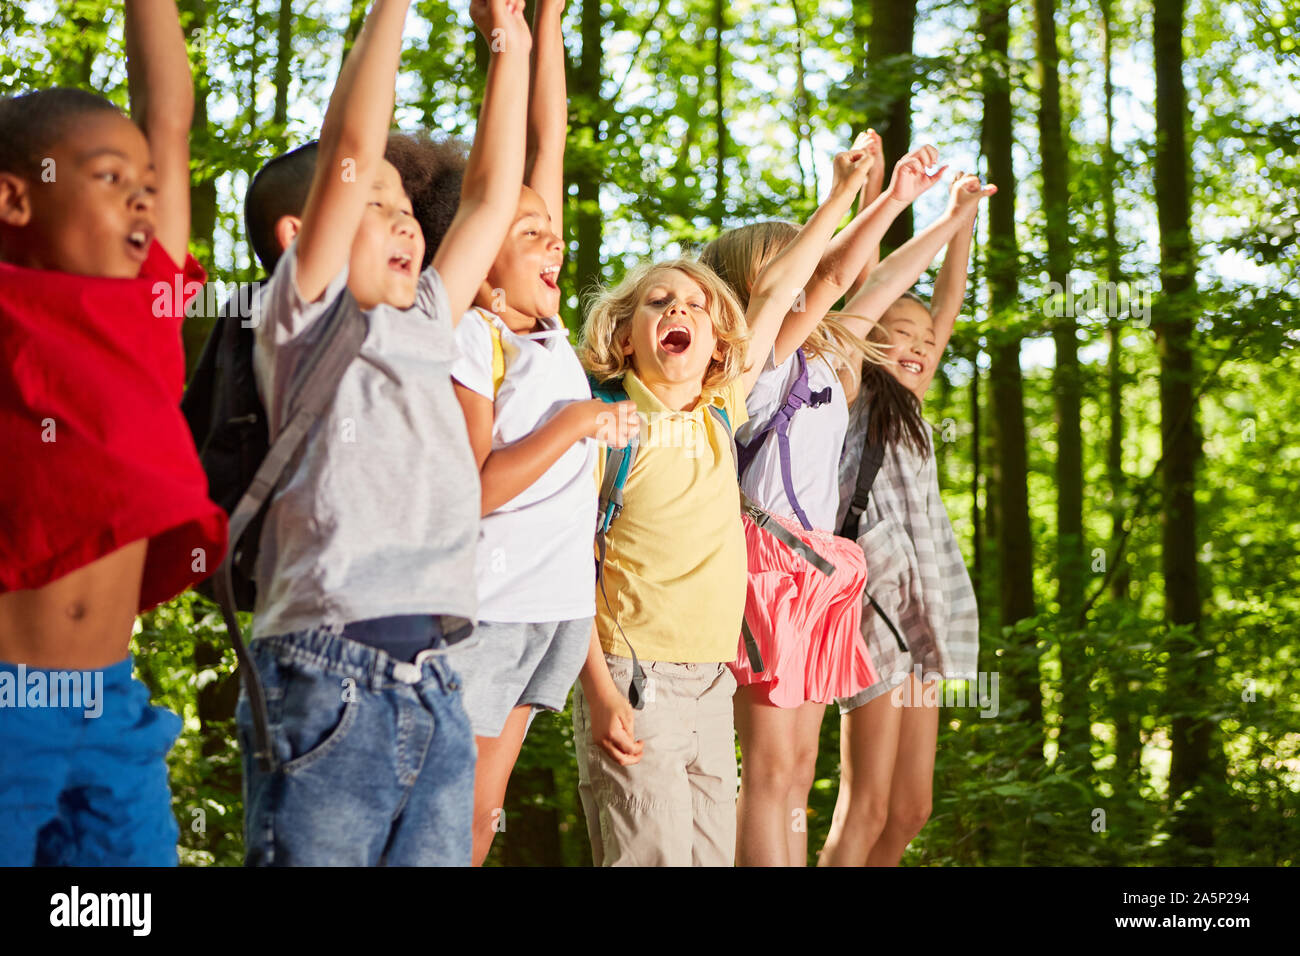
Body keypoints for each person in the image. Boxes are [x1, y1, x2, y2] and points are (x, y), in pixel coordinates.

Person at [235, 0, 530, 866]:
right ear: (302, 237)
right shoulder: (303, 318)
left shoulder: (431, 319)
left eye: (408, 209)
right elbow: (350, 149)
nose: (407, 221)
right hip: (327, 676)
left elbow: (490, 196)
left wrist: (504, 40)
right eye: (379, 204)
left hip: (435, 682)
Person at [572, 141, 874, 866]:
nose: (680, 308)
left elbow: (785, 293)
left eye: (698, 305)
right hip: (630, 675)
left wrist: (842, 198)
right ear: (622, 332)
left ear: (718, 345)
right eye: (658, 301)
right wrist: (603, 694)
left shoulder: (720, 408)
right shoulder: (605, 427)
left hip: (711, 680)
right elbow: (570, 570)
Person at [701, 139, 974, 866]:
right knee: (767, 771)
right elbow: (828, 273)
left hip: (823, 571)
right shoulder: (749, 369)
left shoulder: (825, 360)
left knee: (796, 772)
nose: (815, 278)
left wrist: (899, 202)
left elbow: (874, 280)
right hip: (766, 565)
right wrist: (864, 199)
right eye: (785, 269)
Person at [0, 0, 225, 866]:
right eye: (106, 176)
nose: (141, 194)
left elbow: (168, 118)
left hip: (111, 706)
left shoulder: (150, 304)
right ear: (16, 198)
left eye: (147, 187)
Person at [446, 0, 640, 866]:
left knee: (485, 816)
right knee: (461, 811)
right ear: (482, 253)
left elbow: (547, 143)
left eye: (556, 233)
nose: (553, 244)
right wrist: (573, 423)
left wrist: (548, 24)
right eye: (529, 236)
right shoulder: (471, 334)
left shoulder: (545, 331)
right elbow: (472, 490)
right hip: (492, 607)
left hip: (557, 607)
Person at [820, 170, 996, 867]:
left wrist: (963, 218)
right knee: (865, 804)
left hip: (926, 600)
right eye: (901, 332)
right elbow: (876, 283)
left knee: (911, 807)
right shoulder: (854, 394)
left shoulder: (915, 404)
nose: (921, 344)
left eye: (927, 338)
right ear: (869, 341)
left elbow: (948, 297)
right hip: (872, 600)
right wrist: (883, 199)